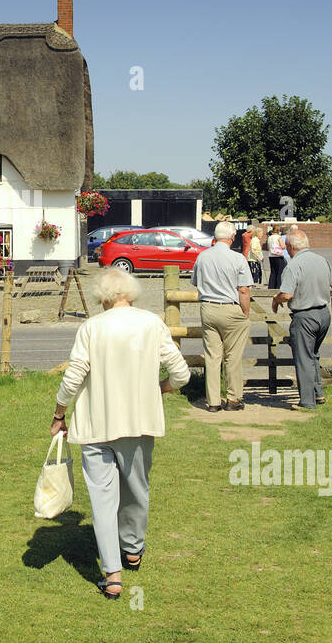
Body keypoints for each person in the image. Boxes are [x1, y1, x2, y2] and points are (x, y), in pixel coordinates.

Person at [52, 267, 191, 600]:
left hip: (96, 425)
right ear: (132, 292)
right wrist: (162, 388)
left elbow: (74, 377)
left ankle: (112, 574)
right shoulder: (151, 323)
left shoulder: (91, 327)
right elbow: (181, 374)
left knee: (102, 499)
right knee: (137, 488)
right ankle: (133, 547)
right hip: (138, 422)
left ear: (102, 296)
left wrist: (59, 413)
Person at [190, 221, 252, 413]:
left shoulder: (202, 257)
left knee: (212, 356)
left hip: (208, 308)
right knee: (232, 357)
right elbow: (243, 289)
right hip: (231, 308)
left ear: (215, 237)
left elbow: (195, 282)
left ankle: (213, 401)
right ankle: (233, 399)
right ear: (232, 237)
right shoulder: (238, 258)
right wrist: (245, 313)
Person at [271, 229, 332, 412]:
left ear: (289, 246)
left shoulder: (293, 265)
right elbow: (328, 284)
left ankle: (307, 401)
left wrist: (276, 299)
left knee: (304, 358)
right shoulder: (322, 260)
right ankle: (317, 392)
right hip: (323, 313)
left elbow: (287, 294)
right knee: (313, 355)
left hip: (305, 316)